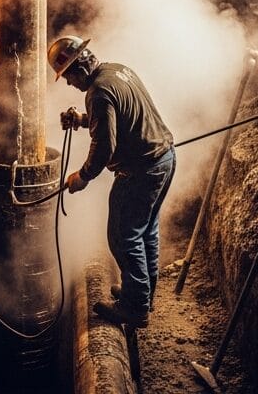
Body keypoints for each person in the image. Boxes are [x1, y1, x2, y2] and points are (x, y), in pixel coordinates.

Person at [52, 35, 175, 329]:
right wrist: (82, 120)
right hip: (164, 159)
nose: (70, 83)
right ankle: (142, 293)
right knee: (146, 232)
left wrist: (82, 176)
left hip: (140, 171)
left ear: (79, 66)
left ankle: (135, 307)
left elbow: (105, 145)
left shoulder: (98, 91)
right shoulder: (118, 70)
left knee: (124, 236)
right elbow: (120, 117)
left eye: (68, 76)